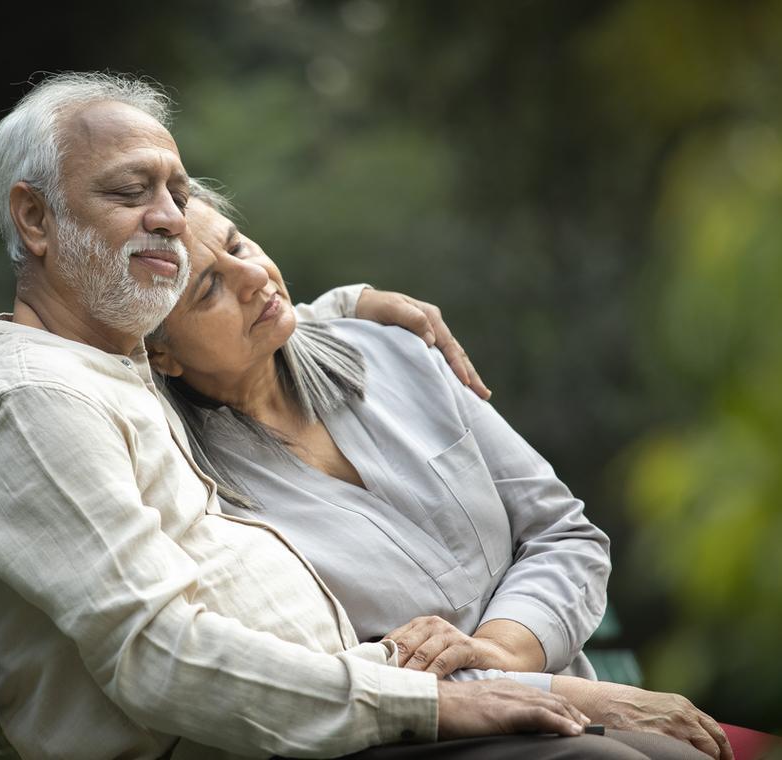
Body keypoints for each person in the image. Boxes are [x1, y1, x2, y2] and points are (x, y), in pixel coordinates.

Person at [0, 71, 708, 759]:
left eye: (179, 192)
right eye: (131, 192)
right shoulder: (36, 402)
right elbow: (158, 655)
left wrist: (353, 308)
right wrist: (448, 702)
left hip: (347, 717)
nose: (167, 216)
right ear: (35, 220)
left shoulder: (114, 369)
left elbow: (236, 324)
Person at [144, 188, 732, 760]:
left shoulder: (393, 352)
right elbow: (334, 676)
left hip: (568, 690)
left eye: (239, 246)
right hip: (424, 737)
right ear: (161, 355)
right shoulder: (201, 497)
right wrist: (573, 694)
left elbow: (564, 533)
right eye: (209, 288)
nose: (253, 278)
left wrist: (502, 650)